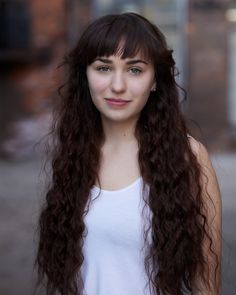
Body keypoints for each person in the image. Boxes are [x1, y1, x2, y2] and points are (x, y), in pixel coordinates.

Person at [35, 12, 222, 295]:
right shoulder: (76, 152)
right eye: (103, 68)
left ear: (155, 80)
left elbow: (206, 285)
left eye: (135, 69)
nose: (118, 85)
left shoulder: (188, 156)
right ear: (85, 75)